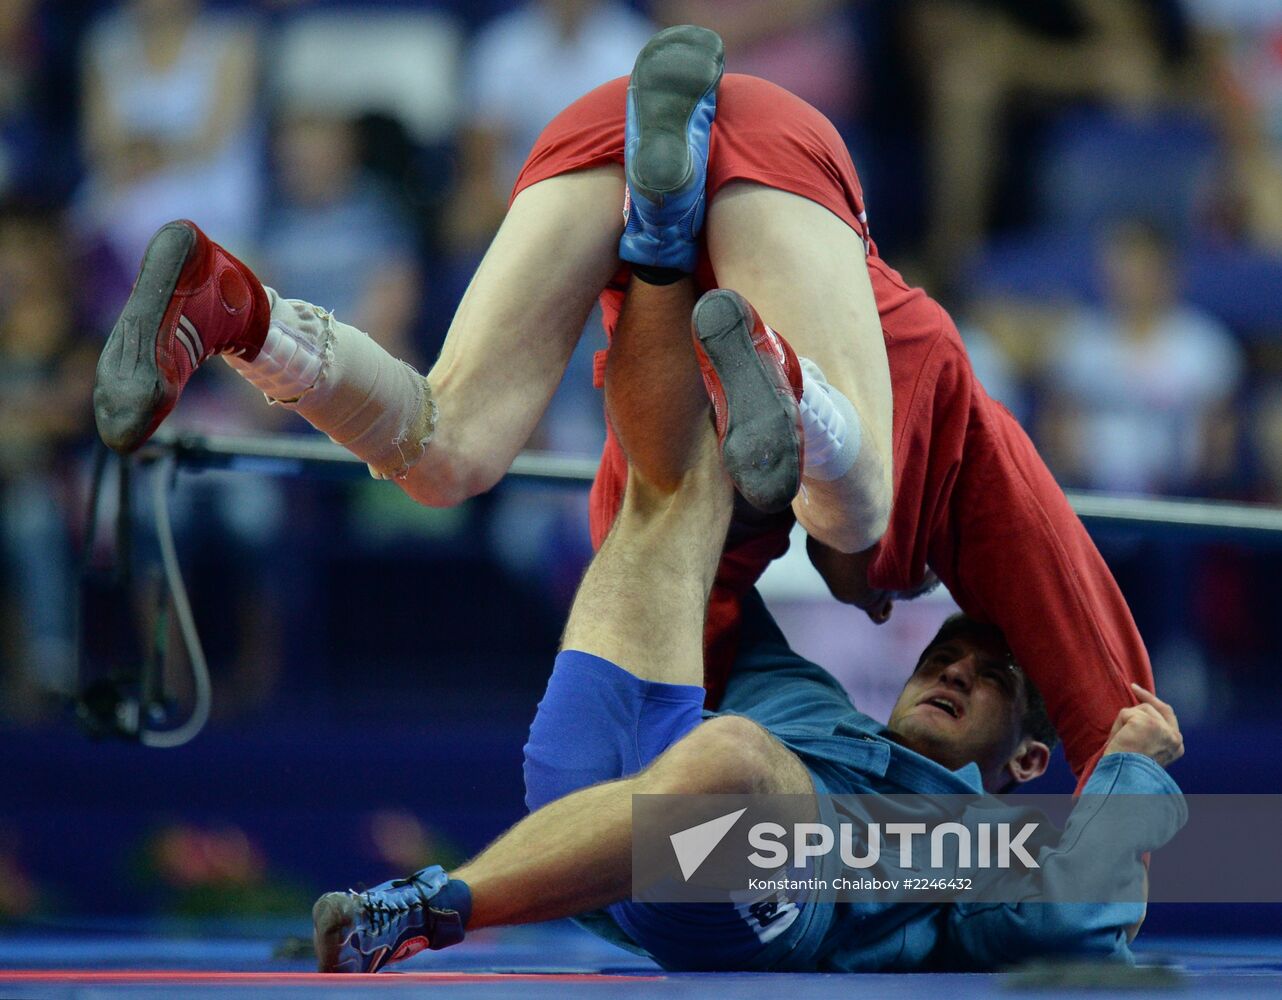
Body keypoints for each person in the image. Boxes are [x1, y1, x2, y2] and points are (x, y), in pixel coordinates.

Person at [91, 26, 1153, 788]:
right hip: (771, 156)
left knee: (445, 448)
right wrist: (1035, 855)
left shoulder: (711, 539)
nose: (900, 624)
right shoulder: (969, 455)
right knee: (860, 506)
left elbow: (647, 698)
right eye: (943, 636)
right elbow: (1134, 741)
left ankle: (236, 311)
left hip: (615, 126)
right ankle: (767, 360)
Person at [307, 354, 1186, 974]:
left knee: (737, 757)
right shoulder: (810, 701)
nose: (953, 672)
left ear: (1028, 764)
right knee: (667, 508)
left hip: (764, 907)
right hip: (596, 815)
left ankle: (423, 911)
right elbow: (713, 585)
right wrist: (791, 501)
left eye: (990, 677)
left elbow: (1074, 921)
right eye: (943, 655)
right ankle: (662, 262)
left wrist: (1130, 771)